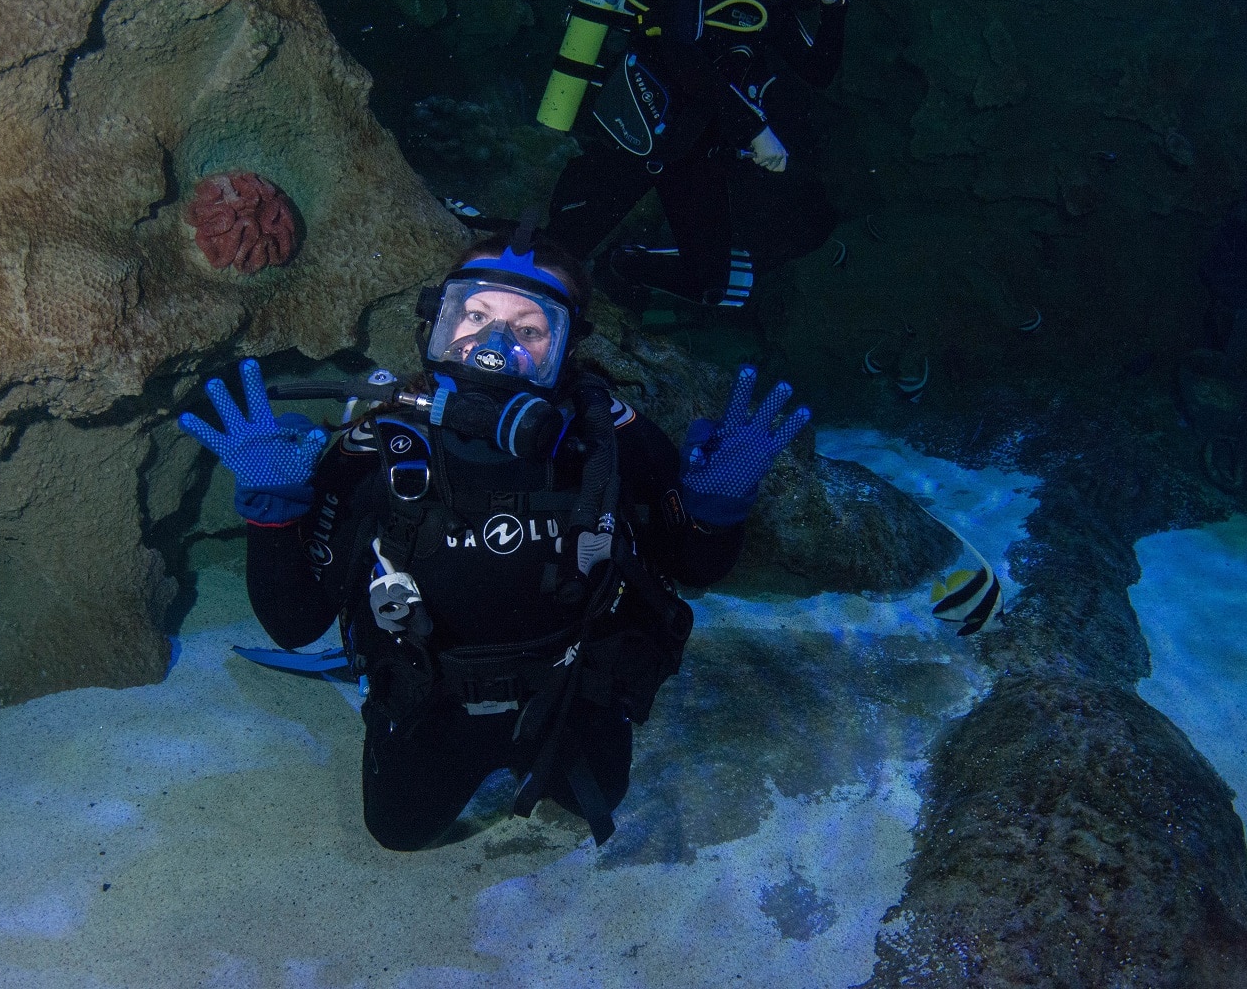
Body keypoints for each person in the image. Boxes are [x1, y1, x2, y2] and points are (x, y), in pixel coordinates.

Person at [179, 224, 811, 849]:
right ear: (438, 322)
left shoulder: (607, 441)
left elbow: (694, 566)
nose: (494, 345)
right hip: (431, 697)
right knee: (398, 831)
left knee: (595, 796)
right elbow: (295, 623)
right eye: (475, 315)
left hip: (571, 689)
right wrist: (273, 513)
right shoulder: (384, 443)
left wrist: (715, 510)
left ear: (567, 345)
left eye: (529, 329)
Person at [544, 0, 848, 309]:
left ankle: (619, 266)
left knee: (708, 282)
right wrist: (754, 130)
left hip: (696, 148)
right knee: (558, 253)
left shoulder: (770, 3)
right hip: (639, 131)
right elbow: (680, 53)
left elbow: (819, 70)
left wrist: (834, 3)